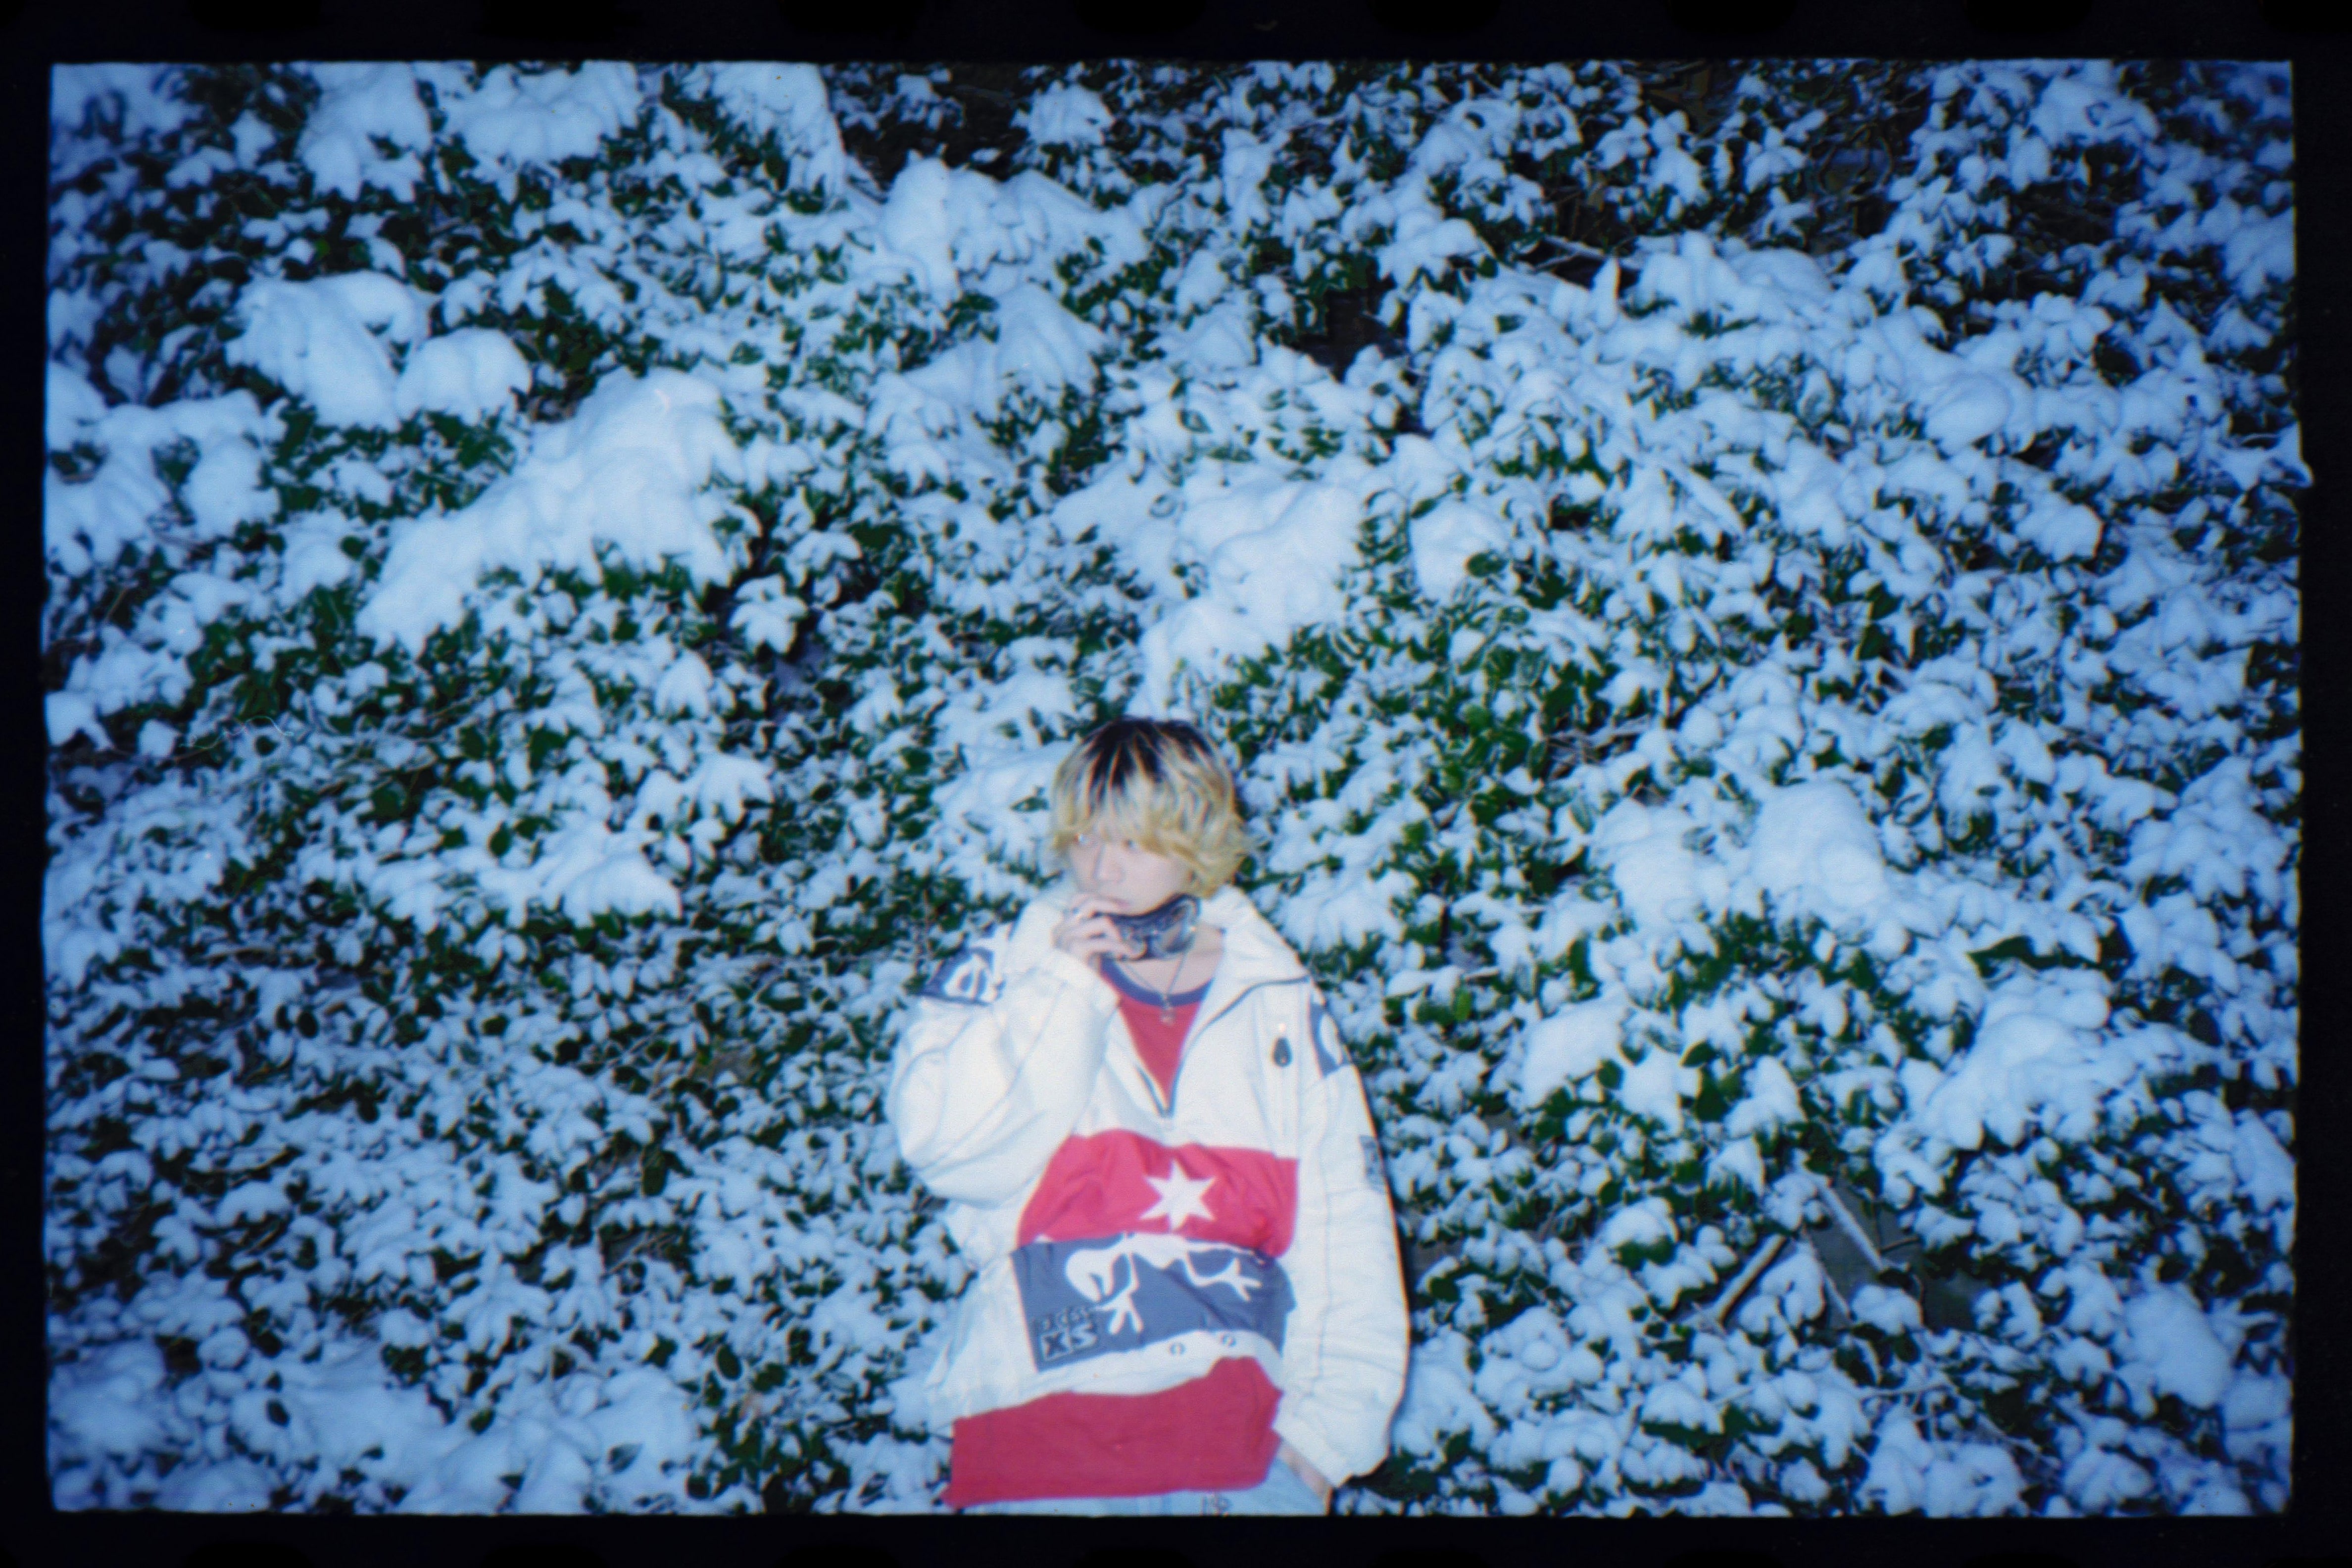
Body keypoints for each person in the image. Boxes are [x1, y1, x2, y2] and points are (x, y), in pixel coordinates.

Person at [887, 717, 1410, 1516]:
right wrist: (1061, 987)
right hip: (1038, 1452)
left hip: (1242, 1465)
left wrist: (1325, 1445)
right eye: (1086, 837)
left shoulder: (1276, 999)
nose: (1101, 867)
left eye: (1132, 841)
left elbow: (1346, 1231)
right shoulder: (1004, 973)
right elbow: (952, 1153)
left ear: (1194, 838)